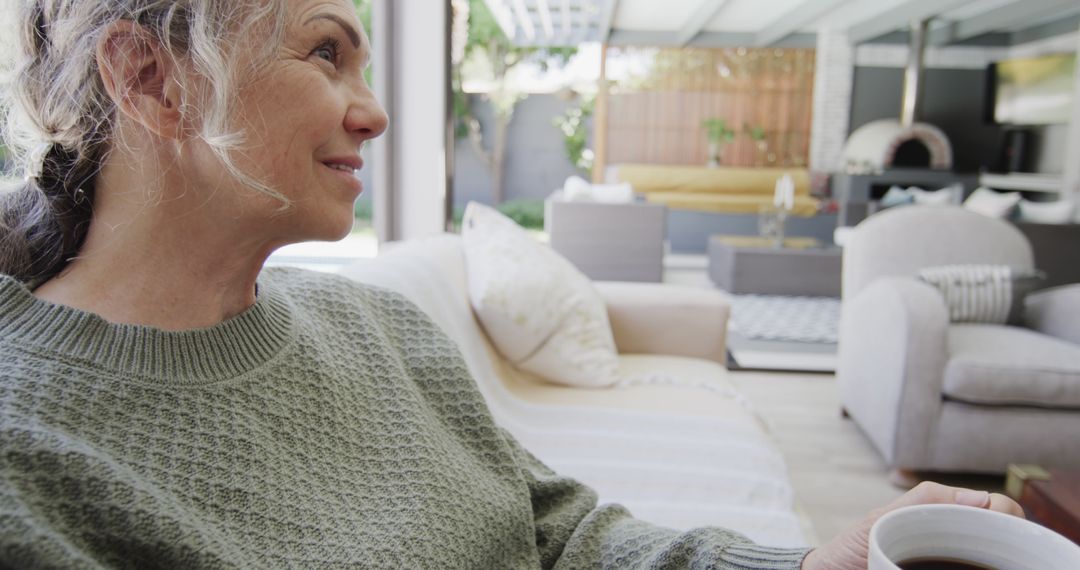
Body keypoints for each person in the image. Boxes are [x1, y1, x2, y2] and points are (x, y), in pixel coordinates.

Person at [0, 1, 1023, 568]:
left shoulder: (378, 329)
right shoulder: (28, 462)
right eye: (326, 51)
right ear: (149, 81)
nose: (375, 113)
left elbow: (562, 533)